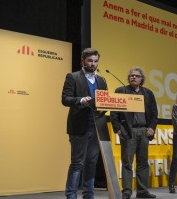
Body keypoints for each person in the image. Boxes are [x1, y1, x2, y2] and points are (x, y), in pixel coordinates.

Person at [61, 48, 108, 199]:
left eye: (95, 61)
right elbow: (65, 99)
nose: (93, 64)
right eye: (90, 61)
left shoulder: (102, 80)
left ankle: (89, 195)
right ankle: (71, 195)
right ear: (83, 61)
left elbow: (105, 101)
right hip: (80, 126)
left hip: (96, 126)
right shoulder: (73, 77)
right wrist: (80, 100)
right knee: (77, 163)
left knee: (91, 162)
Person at [110, 67, 158, 199]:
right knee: (127, 163)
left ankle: (142, 191)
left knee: (143, 163)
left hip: (144, 131)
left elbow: (154, 114)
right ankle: (127, 192)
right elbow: (114, 113)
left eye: (136, 76)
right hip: (128, 131)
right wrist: (117, 129)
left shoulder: (148, 93)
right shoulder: (121, 91)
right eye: (131, 75)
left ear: (141, 79)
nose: (133, 77)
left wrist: (152, 128)